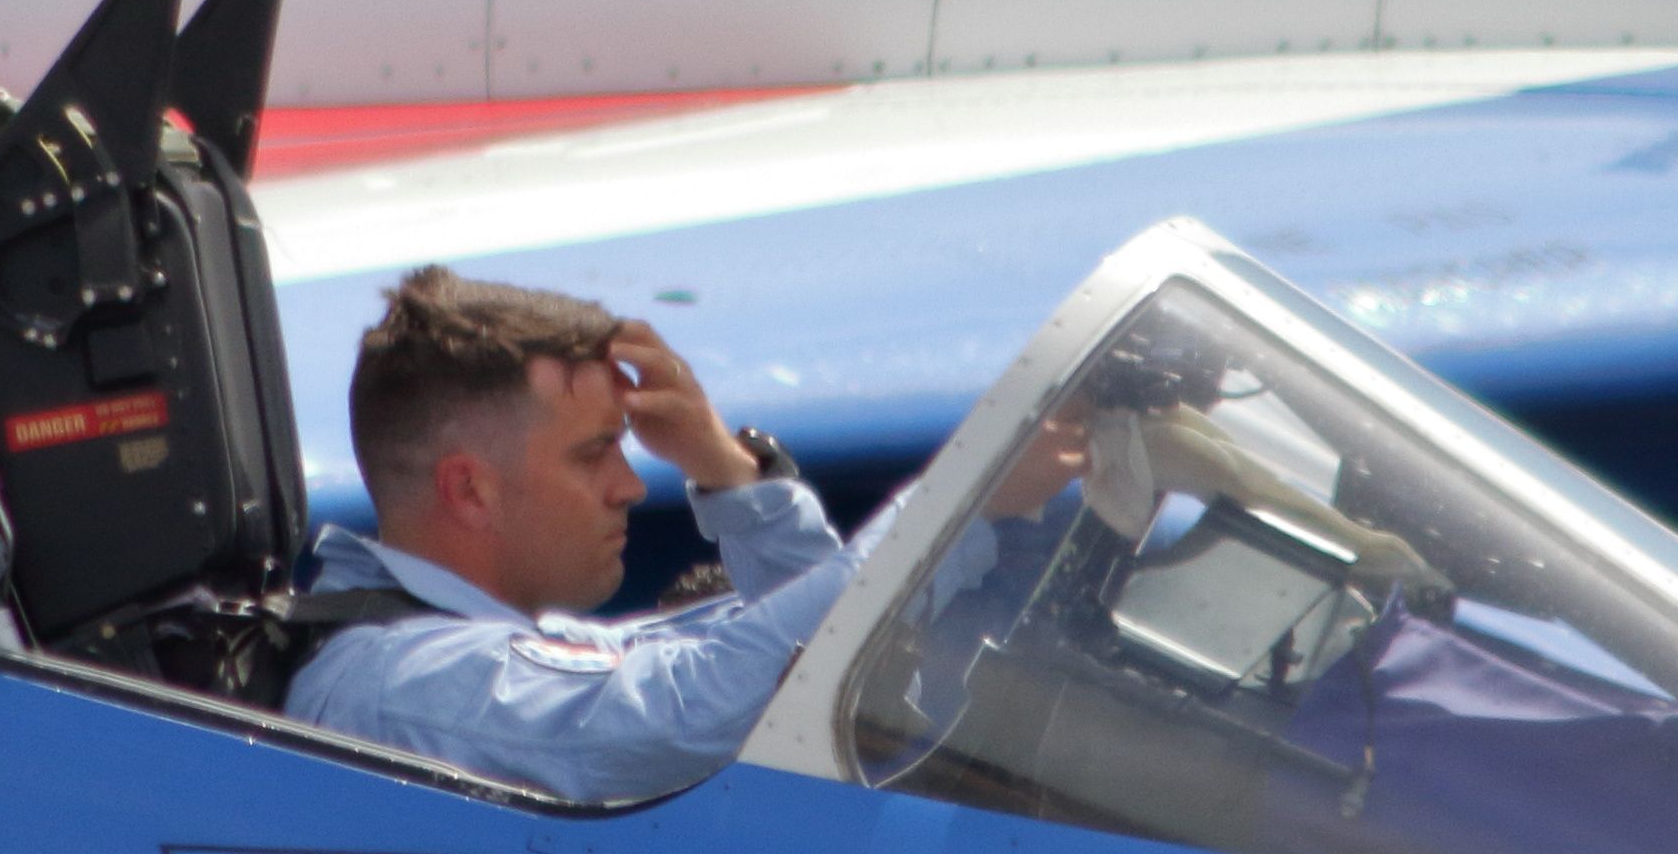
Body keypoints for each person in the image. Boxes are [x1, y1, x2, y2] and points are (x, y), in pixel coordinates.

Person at [285, 267, 1087, 801]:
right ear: (469, 488)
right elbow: (691, 706)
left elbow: (821, 671)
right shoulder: (398, 687)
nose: (631, 486)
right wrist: (960, 510)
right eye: (594, 453)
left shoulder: (490, 653)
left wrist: (728, 476)